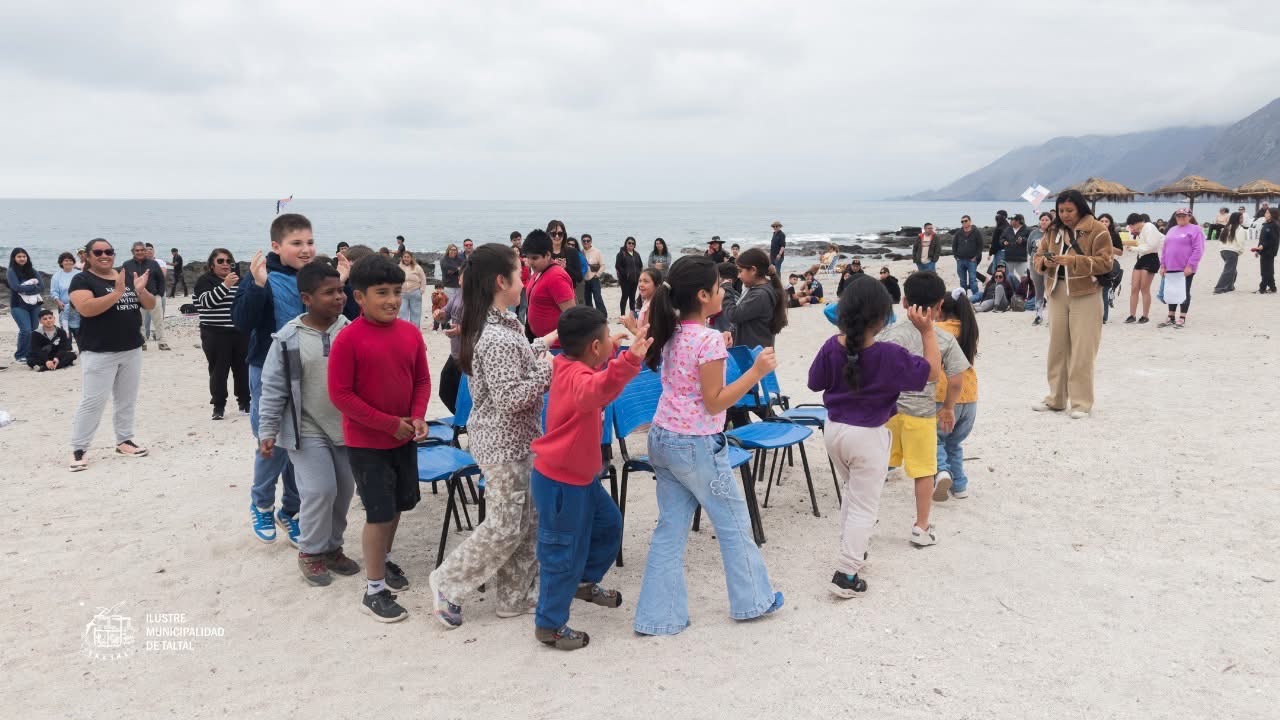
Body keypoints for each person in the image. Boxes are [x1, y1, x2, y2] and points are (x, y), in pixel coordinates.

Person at [633, 255, 783, 635]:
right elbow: (715, 401)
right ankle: (753, 601)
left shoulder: (672, 331)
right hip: (696, 444)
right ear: (703, 295)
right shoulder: (708, 339)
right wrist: (756, 371)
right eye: (718, 288)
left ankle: (658, 617)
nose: (723, 293)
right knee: (733, 522)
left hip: (663, 439)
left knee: (670, 529)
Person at [428, 243, 556, 629]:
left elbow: (517, 360)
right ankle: (447, 582)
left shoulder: (502, 323)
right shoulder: (496, 335)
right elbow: (510, 397)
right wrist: (547, 373)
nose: (524, 281)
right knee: (504, 524)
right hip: (502, 445)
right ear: (502, 281)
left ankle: (514, 596)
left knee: (527, 521)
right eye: (520, 275)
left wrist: (546, 343)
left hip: (519, 440)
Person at [807, 274, 938, 597]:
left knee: (852, 493)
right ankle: (847, 573)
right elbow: (932, 373)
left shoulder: (830, 347)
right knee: (865, 505)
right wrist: (928, 330)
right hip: (868, 436)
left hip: (834, 431)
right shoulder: (889, 355)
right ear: (881, 320)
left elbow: (814, 383)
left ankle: (852, 549)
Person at [530, 306, 648, 649]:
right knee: (561, 551)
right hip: (560, 482)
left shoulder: (572, 363)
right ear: (593, 348)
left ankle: (583, 582)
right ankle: (549, 625)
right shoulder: (578, 379)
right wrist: (627, 361)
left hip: (581, 478)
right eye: (604, 341)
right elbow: (595, 390)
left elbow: (597, 375)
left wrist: (612, 345)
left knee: (609, 525)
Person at [327, 254, 431, 623]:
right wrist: (389, 424)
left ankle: (383, 560)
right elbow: (341, 395)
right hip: (367, 442)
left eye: (396, 293)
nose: (391, 300)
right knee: (378, 512)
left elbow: (420, 379)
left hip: (403, 438)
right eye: (381, 293)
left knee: (399, 504)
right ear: (360, 297)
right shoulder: (348, 339)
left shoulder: (410, 333)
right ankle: (373, 591)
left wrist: (417, 416)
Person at [234, 214, 344, 544]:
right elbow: (242, 321)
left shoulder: (318, 277)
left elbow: (340, 316)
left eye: (310, 242)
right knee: (275, 442)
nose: (306, 249)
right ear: (276, 246)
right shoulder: (263, 275)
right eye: (297, 243)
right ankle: (262, 503)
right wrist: (255, 286)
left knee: (304, 441)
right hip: (268, 367)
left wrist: (346, 285)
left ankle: (290, 511)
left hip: (310, 369)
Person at [257, 261, 359, 587]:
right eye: (329, 292)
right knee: (319, 490)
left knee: (343, 492)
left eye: (340, 290)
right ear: (306, 298)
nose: (338, 297)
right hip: (306, 428)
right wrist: (268, 430)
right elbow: (273, 388)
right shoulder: (288, 338)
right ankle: (311, 552)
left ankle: (332, 547)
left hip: (346, 428)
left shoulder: (351, 330)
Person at [876, 271, 969, 546]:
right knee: (924, 471)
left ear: (904, 302)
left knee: (878, 465)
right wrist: (949, 408)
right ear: (940, 305)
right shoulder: (943, 339)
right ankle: (921, 525)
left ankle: (866, 517)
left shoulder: (889, 335)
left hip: (889, 413)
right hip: (922, 415)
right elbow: (955, 379)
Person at [67, 238, 155, 471]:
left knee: (127, 399)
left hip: (131, 349)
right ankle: (79, 448)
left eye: (109, 251)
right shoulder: (82, 279)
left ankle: (124, 440)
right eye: (98, 252)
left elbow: (149, 304)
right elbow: (85, 308)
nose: (104, 255)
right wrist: (117, 293)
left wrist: (140, 290)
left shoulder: (122, 276)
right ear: (87, 256)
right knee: (93, 401)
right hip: (99, 351)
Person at [1031, 189, 1113, 418]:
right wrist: (1044, 263)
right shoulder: (1053, 230)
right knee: (1057, 348)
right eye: (1061, 210)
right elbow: (1037, 257)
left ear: (1080, 208)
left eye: (1070, 210)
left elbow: (1106, 263)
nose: (1065, 215)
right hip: (1056, 292)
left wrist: (1074, 261)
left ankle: (1080, 403)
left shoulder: (1097, 229)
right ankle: (1055, 399)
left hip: (1086, 293)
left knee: (1082, 350)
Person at [193, 248, 250, 420]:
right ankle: (218, 406)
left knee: (242, 369)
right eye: (220, 261)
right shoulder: (204, 281)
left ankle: (245, 402)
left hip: (240, 332)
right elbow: (206, 303)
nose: (225, 264)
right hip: (215, 332)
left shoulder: (238, 281)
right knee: (218, 371)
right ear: (211, 265)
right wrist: (225, 285)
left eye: (228, 261)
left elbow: (245, 303)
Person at [933, 290, 979, 500]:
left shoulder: (937, 330)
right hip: (970, 396)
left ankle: (942, 472)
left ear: (940, 308)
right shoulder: (969, 330)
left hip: (945, 395)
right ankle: (959, 486)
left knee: (935, 439)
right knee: (954, 443)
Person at [724, 248, 787, 348]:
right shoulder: (765, 288)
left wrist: (727, 289)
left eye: (741, 271)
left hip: (753, 353)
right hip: (758, 349)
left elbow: (733, 315)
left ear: (753, 270)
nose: (739, 276)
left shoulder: (760, 295)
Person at [522, 229, 576, 342]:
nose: (530, 262)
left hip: (556, 345)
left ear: (547, 255)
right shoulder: (539, 270)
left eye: (535, 258)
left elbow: (571, 314)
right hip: (539, 340)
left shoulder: (556, 277)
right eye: (528, 257)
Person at [1157, 208, 1204, 329]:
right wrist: (1163, 265)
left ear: (1189, 217)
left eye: (1183, 216)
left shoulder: (1195, 229)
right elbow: (1165, 249)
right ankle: (1171, 316)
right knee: (1171, 291)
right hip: (1170, 266)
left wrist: (1190, 265)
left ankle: (1182, 317)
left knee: (1184, 291)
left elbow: (1198, 249)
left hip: (1185, 267)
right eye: (1178, 216)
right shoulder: (1172, 230)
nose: (1181, 218)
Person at [122, 242, 168, 351]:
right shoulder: (127, 264)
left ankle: (162, 342)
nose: (140, 252)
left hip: (153, 296)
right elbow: (124, 281)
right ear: (133, 251)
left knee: (159, 320)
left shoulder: (153, 264)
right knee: (139, 322)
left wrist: (160, 294)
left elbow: (161, 280)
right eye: (137, 250)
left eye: (142, 250)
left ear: (145, 251)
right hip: (136, 297)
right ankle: (142, 343)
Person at [434, 270, 465, 413]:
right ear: (459, 279)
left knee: (468, 395)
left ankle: (467, 422)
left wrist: (462, 330)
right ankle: (463, 420)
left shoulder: (484, 298)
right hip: (456, 353)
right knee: (445, 390)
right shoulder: (458, 295)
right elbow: (445, 314)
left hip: (473, 356)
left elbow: (488, 325)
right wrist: (439, 314)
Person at [1124, 212, 1164, 323]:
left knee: (1144, 288)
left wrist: (1134, 249)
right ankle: (1132, 315)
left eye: (1132, 225)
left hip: (1151, 258)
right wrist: (1133, 235)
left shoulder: (1149, 227)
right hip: (1141, 258)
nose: (1131, 228)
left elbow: (1151, 246)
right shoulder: (1140, 230)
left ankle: (1145, 316)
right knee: (1134, 287)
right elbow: (1139, 243)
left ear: (1136, 223)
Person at [7, 248, 42, 364]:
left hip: (35, 305)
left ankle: (29, 354)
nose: (22, 258)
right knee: (25, 330)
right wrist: (33, 288)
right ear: (14, 258)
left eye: (24, 256)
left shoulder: (32, 270)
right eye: (19, 257)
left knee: (33, 330)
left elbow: (41, 287)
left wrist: (25, 290)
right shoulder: (11, 271)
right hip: (18, 305)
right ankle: (20, 355)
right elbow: (16, 288)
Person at [1097, 213, 1125, 323]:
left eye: (1106, 221)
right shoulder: (1093, 234)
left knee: (1104, 291)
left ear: (1110, 223)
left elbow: (1120, 252)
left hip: (1108, 265)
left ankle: (1104, 317)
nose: (1104, 223)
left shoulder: (1114, 235)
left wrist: (1109, 247)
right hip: (1094, 264)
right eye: (1101, 221)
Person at [49, 252, 81, 341]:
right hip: (63, 305)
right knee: (66, 333)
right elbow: (54, 291)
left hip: (78, 307)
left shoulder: (79, 274)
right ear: (61, 263)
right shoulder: (56, 276)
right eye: (66, 260)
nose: (68, 262)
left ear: (73, 262)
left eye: (70, 260)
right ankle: (68, 352)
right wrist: (58, 301)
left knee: (79, 333)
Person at [1213, 212, 1247, 294]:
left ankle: (1230, 286)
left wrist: (1222, 249)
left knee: (1232, 269)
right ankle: (1219, 288)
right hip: (1232, 252)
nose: (1242, 219)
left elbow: (1221, 240)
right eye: (1241, 218)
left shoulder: (1227, 227)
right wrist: (1240, 251)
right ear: (1236, 219)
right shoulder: (1240, 229)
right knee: (1229, 270)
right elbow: (1240, 242)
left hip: (1223, 251)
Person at [621, 268, 661, 336]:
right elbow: (643, 328)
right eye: (640, 281)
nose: (641, 285)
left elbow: (648, 337)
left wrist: (632, 328)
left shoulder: (653, 306)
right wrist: (630, 323)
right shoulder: (646, 301)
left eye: (646, 281)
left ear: (657, 285)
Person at [952, 215, 984, 298]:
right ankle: (963, 297)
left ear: (970, 221)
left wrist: (976, 257)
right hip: (960, 260)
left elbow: (980, 246)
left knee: (972, 279)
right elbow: (954, 246)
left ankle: (976, 296)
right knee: (962, 280)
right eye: (962, 221)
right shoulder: (958, 233)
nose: (964, 223)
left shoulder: (976, 232)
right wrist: (956, 257)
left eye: (965, 221)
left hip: (971, 260)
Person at [1028, 212, 1051, 325]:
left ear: (1051, 221)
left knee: (1049, 289)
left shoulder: (1053, 233)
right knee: (1038, 289)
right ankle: (1038, 315)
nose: (1044, 221)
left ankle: (1052, 316)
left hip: (1048, 265)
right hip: (1035, 265)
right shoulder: (1033, 233)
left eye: (1047, 219)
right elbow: (1029, 249)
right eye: (1042, 219)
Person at [397, 250, 427, 326]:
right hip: (402, 294)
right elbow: (395, 279)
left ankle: (415, 331)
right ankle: (404, 331)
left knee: (416, 314)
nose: (406, 259)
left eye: (408, 257)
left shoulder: (417, 267)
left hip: (415, 292)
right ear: (402, 258)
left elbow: (423, 278)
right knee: (402, 313)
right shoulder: (398, 267)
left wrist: (421, 290)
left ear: (411, 258)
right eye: (405, 257)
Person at [615, 236, 643, 316]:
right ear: (626, 244)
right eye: (629, 243)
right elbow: (618, 266)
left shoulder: (636, 254)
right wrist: (625, 274)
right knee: (625, 297)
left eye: (633, 243)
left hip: (635, 279)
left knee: (632, 297)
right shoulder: (621, 254)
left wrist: (639, 274)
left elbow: (640, 265)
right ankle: (622, 315)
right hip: (625, 280)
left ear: (634, 245)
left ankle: (632, 314)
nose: (631, 244)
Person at [1253, 207, 1279, 293]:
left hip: (1270, 251)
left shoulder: (1275, 225)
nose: (1265, 214)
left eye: (1267, 213)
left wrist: (1263, 247)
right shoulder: (1266, 224)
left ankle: (1262, 289)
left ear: (1272, 214)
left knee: (1265, 271)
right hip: (1263, 250)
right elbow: (1262, 239)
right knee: (1268, 270)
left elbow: (1273, 240)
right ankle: (1272, 288)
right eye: (1266, 213)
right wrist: (1258, 250)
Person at [711, 262, 739, 333]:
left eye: (717, 278)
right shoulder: (717, 295)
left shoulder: (732, 300)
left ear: (729, 281)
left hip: (725, 339)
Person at [581, 233, 606, 311]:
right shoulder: (580, 252)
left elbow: (603, 265)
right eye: (584, 241)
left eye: (588, 241)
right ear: (581, 242)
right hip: (585, 280)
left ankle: (603, 316)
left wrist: (597, 275)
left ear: (591, 242)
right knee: (587, 300)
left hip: (594, 278)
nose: (586, 242)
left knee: (598, 299)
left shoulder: (597, 252)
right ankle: (591, 317)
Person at [1004, 214, 1031, 281]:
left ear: (1018, 221)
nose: (1010, 221)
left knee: (1024, 277)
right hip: (1009, 258)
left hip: (1021, 258)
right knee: (1008, 276)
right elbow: (1002, 238)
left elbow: (1030, 241)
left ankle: (1023, 290)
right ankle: (1011, 290)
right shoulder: (1008, 229)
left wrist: (1022, 240)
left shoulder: (1027, 230)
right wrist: (1003, 242)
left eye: (1012, 220)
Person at [988, 210, 1011, 275]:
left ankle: (999, 284)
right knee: (1006, 271)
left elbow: (995, 242)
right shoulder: (1009, 227)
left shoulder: (999, 228)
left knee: (997, 272)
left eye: (998, 215)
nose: (997, 217)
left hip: (1000, 252)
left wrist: (990, 253)